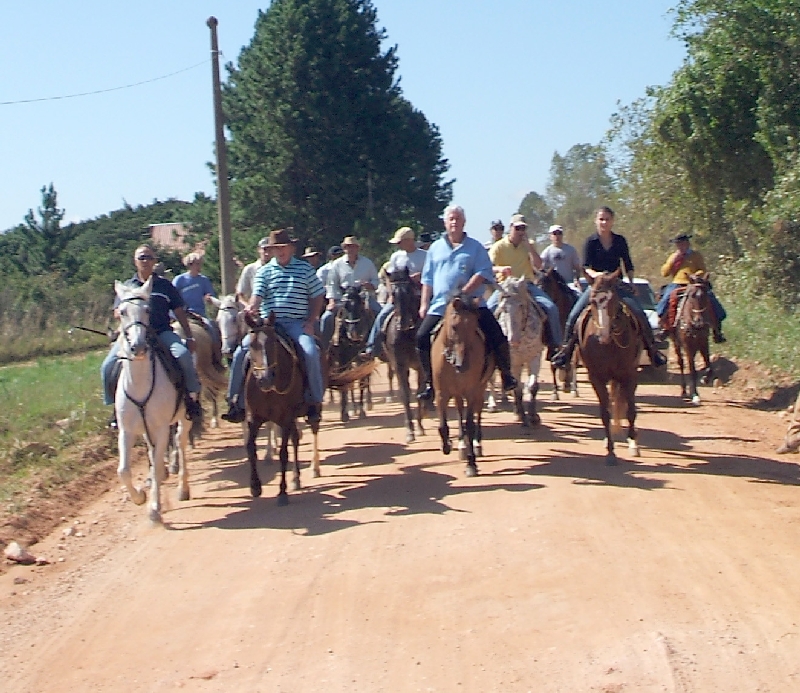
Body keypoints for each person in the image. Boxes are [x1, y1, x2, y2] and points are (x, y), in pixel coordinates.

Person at [222, 229, 326, 424]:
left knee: (311, 352)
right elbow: (257, 294)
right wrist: (252, 307)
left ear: (292, 248)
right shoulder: (265, 271)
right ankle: (235, 401)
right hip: (269, 325)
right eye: (276, 248)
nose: (280, 251)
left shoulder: (305, 269)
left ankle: (314, 401)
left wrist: (311, 321)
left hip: (296, 322)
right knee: (240, 353)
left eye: (283, 247)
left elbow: (317, 295)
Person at [416, 204, 518, 402]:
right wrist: (423, 303)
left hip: (472, 304)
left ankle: (506, 375)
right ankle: (430, 382)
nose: (454, 222)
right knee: (421, 337)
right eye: (451, 219)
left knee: (496, 334)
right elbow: (427, 279)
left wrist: (464, 293)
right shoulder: (435, 249)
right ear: (445, 223)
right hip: (441, 305)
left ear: (464, 222)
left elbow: (483, 272)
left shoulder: (476, 247)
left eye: (457, 218)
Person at [552, 206, 669, 369]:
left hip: (616, 285)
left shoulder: (620, 240)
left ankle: (653, 351)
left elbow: (627, 264)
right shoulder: (590, 242)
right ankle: (566, 351)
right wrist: (598, 275)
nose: (604, 222)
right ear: (596, 221)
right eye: (601, 219)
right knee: (574, 315)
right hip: (597, 285)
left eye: (607, 219)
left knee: (639, 313)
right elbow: (585, 266)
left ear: (612, 221)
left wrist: (632, 282)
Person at [100, 244, 203, 426]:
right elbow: (117, 312)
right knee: (108, 366)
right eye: (142, 257)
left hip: (161, 332)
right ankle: (115, 410)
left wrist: (189, 337)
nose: (145, 261)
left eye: (149, 257)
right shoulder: (127, 287)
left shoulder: (164, 285)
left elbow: (179, 312)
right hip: (133, 335)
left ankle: (191, 400)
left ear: (155, 261)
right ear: (135, 261)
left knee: (183, 356)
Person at [486, 214, 563, 355]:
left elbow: (540, 266)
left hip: (527, 285)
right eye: (518, 228)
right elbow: (487, 267)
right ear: (511, 228)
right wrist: (500, 269)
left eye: (523, 228)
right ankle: (489, 349)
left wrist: (529, 248)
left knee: (551, 308)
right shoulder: (498, 247)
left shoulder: (529, 245)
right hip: (506, 287)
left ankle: (556, 345)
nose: (521, 231)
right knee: (488, 310)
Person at [363, 226, 427, 359]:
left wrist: (421, 276)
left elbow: (432, 275)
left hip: (421, 295)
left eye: (400, 242)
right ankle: (372, 347)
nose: (398, 245)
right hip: (400, 296)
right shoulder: (396, 257)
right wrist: (391, 293)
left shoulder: (425, 256)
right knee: (382, 316)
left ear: (409, 240)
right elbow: (389, 277)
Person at [656, 234, 727, 342]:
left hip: (694, 282)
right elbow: (664, 273)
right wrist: (673, 260)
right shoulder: (673, 256)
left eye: (683, 243)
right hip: (678, 283)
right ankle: (665, 327)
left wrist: (695, 275)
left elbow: (702, 269)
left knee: (710, 298)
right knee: (666, 300)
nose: (681, 246)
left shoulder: (696, 255)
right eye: (678, 244)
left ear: (688, 243)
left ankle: (717, 329)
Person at [319, 236, 381, 349]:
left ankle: (376, 347)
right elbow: (332, 284)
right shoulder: (337, 264)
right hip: (343, 298)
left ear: (357, 248)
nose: (350, 249)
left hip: (364, 297)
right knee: (326, 318)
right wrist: (332, 301)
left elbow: (376, 280)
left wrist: (369, 285)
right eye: (347, 247)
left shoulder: (367, 263)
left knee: (380, 313)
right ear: (344, 248)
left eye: (353, 247)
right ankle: (324, 348)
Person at [540, 224, 583, 292]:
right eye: (554, 234)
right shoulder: (546, 252)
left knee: (579, 294)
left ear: (562, 235)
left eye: (559, 233)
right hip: (554, 285)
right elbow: (541, 268)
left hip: (569, 283)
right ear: (550, 236)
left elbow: (577, 268)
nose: (557, 236)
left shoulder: (571, 250)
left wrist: (576, 280)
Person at [172, 252, 216, 317]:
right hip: (182, 314)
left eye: (201, 264)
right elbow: (172, 296)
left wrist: (208, 298)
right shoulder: (179, 279)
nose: (199, 266)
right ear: (190, 265)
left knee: (211, 326)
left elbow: (211, 297)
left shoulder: (204, 280)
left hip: (199, 314)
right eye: (197, 264)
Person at [236, 237, 272, 303]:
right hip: (255, 309)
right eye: (265, 249)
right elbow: (240, 294)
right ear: (259, 250)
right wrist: (248, 306)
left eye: (270, 250)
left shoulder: (279, 270)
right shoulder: (250, 269)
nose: (267, 253)